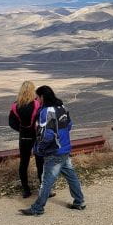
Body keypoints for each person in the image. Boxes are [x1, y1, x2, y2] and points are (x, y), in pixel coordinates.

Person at [20, 85, 85, 215]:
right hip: (64, 149)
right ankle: (79, 202)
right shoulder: (62, 107)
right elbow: (69, 125)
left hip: (54, 151)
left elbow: (47, 134)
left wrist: (40, 149)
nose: (36, 100)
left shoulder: (46, 111)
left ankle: (37, 208)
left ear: (42, 97)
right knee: (71, 176)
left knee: (46, 181)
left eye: (37, 97)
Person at [8, 81, 44, 198]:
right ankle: (43, 187)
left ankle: (26, 190)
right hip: (36, 136)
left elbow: (11, 123)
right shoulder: (37, 104)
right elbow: (42, 119)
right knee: (40, 162)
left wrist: (21, 129)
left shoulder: (15, 106)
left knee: (24, 163)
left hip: (24, 136)